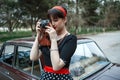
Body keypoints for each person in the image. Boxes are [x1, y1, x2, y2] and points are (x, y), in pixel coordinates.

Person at [30, 5, 77, 80]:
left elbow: (56, 66)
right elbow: (33, 57)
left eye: (55, 20)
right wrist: (38, 35)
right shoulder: (46, 37)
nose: (53, 24)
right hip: (45, 76)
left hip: (62, 77)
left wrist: (53, 40)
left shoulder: (70, 39)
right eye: (51, 21)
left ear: (64, 19)